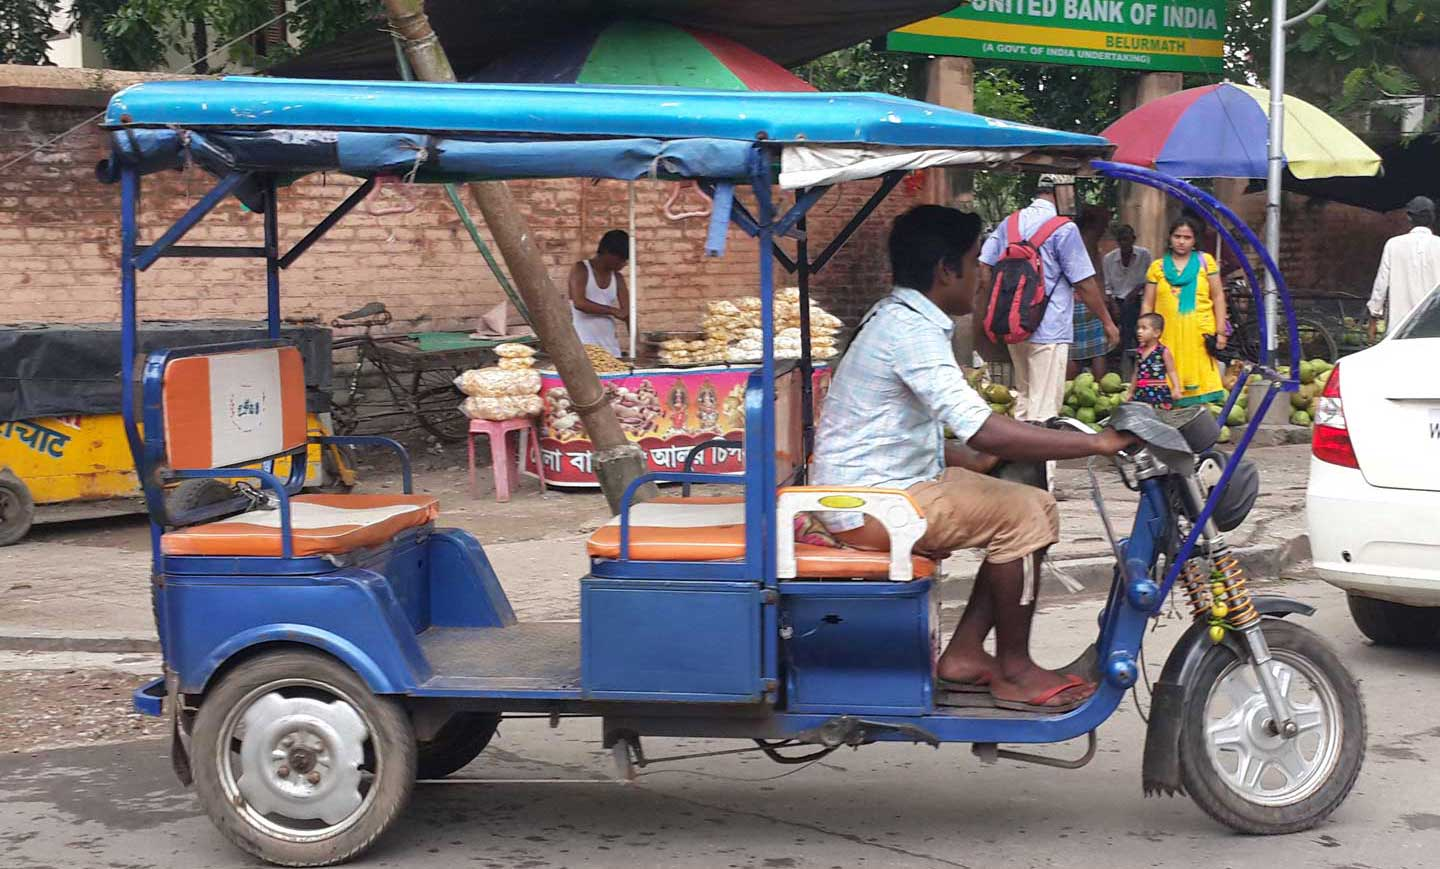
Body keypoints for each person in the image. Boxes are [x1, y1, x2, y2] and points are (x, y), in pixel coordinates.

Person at [812, 205, 1135, 712]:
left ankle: (965, 654)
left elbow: (889, 432)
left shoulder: (900, 318)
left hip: (881, 488)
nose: (982, 277)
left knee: (1021, 487)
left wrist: (969, 457)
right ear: (946, 270)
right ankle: (1014, 670)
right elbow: (981, 426)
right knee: (1028, 512)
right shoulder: (910, 331)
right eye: (973, 263)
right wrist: (1098, 443)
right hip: (871, 505)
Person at [978, 176, 1119, 425]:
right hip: (1050, 328)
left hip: (1015, 327)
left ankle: (1019, 448)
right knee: (1044, 410)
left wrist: (1003, 306)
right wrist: (1107, 322)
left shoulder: (1010, 223)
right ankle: (1038, 449)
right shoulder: (1064, 229)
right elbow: (1084, 283)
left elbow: (984, 265)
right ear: (1062, 192)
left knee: (1024, 398)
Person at [1142, 216, 1228, 406]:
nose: (1181, 241)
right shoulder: (1157, 267)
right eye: (1177, 236)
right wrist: (1144, 332)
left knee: (1200, 389)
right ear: (1170, 238)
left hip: (1199, 334)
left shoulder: (1206, 262)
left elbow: (1218, 297)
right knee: (1165, 379)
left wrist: (1221, 331)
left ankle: (1197, 420)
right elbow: (1148, 304)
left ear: (1195, 240)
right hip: (1165, 335)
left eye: (1187, 237)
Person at [1368, 195, 1440, 341]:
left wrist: (1374, 315)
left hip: (1399, 330)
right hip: (1434, 330)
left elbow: (1381, 285)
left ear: (1409, 217)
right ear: (1433, 218)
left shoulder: (1393, 245)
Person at [1068, 205, 1113, 381]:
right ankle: (1100, 386)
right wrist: (1104, 302)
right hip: (1089, 299)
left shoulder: (1072, 239)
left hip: (1073, 300)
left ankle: (1070, 388)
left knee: (1072, 349)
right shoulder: (1090, 242)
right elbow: (1095, 276)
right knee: (1098, 349)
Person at [568, 229, 630, 356]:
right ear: (607, 253)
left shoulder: (618, 278)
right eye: (621, 259)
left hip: (610, 345)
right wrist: (613, 311)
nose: (624, 264)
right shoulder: (581, 269)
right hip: (584, 344)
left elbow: (627, 313)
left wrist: (636, 342)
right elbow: (579, 303)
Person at [1101, 224, 1152, 367]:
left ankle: (1133, 356)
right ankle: (1119, 358)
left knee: (1135, 326)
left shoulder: (1144, 255)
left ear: (1133, 239)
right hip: (1116, 301)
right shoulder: (1109, 259)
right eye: (1121, 240)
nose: (1124, 243)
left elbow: (1149, 278)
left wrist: (1136, 290)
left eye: (1127, 239)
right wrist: (1113, 304)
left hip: (1137, 300)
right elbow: (1107, 286)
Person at [1123, 313, 1182, 410]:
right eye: (1138, 328)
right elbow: (1136, 373)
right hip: (1141, 392)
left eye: (1144, 328)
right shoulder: (1139, 352)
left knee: (1159, 415)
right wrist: (1130, 392)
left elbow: (1172, 371)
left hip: (1158, 393)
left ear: (1156, 333)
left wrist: (1176, 388)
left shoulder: (1163, 351)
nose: (1139, 331)